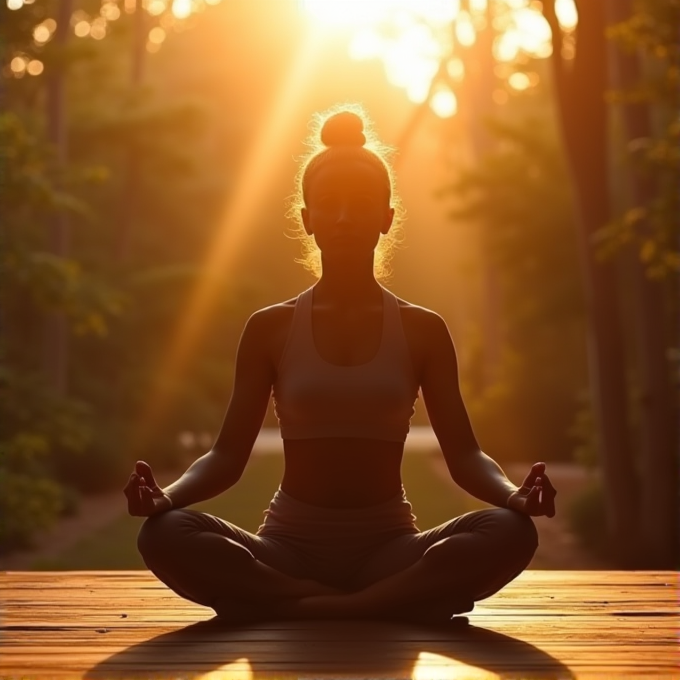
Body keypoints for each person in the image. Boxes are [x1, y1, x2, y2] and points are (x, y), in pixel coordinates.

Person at [126, 106, 556, 626]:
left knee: (511, 532)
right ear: (307, 219)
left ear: (387, 216)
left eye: (361, 205)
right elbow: (225, 456)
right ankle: (387, 605)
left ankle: (301, 605)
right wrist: (164, 498)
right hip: (287, 550)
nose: (346, 218)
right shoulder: (271, 328)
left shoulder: (423, 330)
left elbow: (465, 456)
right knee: (164, 534)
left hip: (390, 549)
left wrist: (514, 496)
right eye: (330, 205)